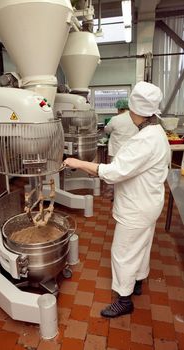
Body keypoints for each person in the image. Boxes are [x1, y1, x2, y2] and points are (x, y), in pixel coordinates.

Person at [63, 81, 171, 318]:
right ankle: (138, 281)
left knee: (123, 251)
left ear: (135, 111)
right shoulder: (157, 132)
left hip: (137, 207)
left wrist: (77, 162)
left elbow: (114, 173)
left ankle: (124, 299)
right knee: (141, 246)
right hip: (149, 203)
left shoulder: (146, 140)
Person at [104, 99, 138, 199]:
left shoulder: (115, 119)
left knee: (116, 173)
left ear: (119, 109)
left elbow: (107, 130)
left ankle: (117, 196)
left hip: (117, 151)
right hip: (131, 151)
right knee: (129, 173)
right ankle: (129, 195)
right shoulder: (135, 118)